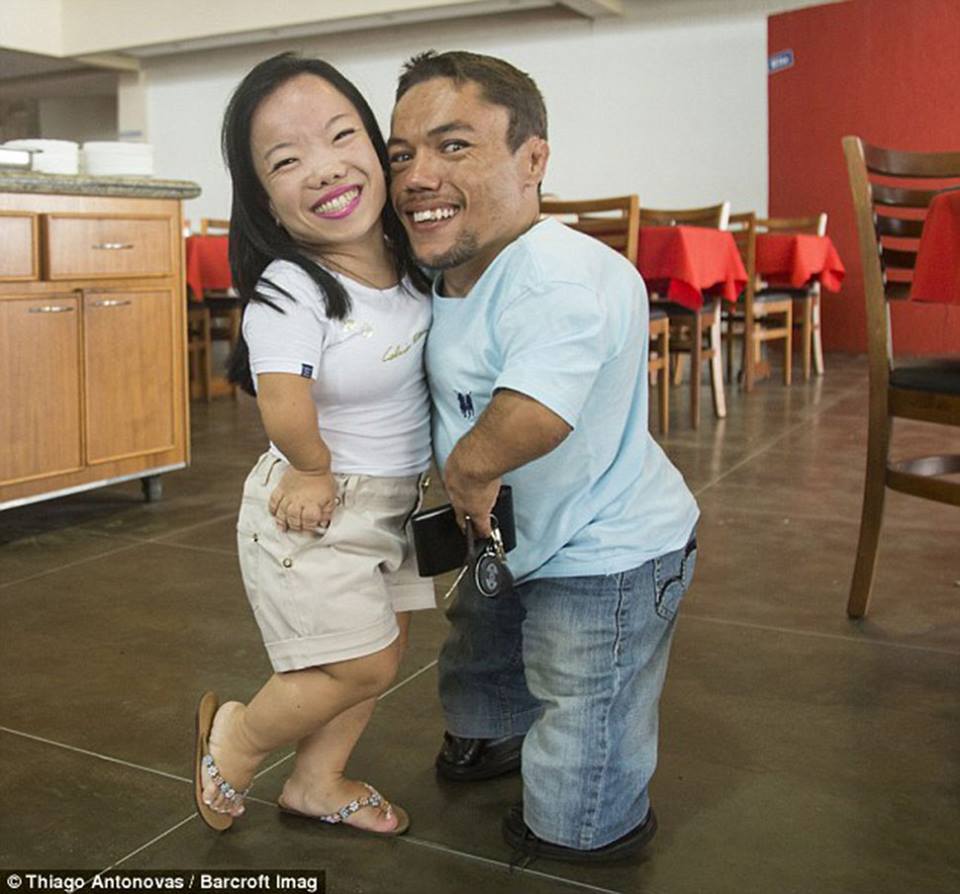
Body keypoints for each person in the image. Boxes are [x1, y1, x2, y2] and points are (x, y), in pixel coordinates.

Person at [388, 50, 700, 863]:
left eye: (454, 146)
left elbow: (534, 414)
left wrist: (464, 472)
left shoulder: (559, 275)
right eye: (402, 154)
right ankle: (492, 736)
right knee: (481, 638)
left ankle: (593, 822)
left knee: (580, 723)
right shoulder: (447, 269)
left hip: (608, 547)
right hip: (513, 529)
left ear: (533, 160)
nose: (418, 176)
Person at [192, 51, 434, 837]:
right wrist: (310, 467)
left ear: (377, 143)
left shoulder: (410, 263)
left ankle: (316, 781)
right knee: (358, 661)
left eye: (340, 136)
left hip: (396, 503)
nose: (324, 168)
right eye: (286, 160)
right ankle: (239, 737)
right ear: (263, 199)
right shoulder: (290, 287)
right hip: (319, 503)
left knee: (381, 652)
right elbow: (283, 399)